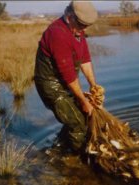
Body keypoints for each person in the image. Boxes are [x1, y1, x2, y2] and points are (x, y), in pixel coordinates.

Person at [34, 0, 102, 153]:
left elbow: (85, 59)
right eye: (81, 25)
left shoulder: (77, 30)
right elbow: (69, 75)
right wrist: (83, 101)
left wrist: (93, 85)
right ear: (69, 16)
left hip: (64, 82)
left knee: (78, 116)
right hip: (51, 85)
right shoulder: (57, 34)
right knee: (78, 124)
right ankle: (78, 161)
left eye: (86, 26)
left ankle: (59, 147)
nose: (83, 29)